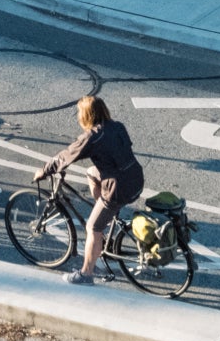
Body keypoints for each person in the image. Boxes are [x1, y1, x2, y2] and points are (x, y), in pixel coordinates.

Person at [38, 95, 144, 284]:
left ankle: (86, 274)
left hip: (118, 188)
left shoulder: (92, 137)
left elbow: (66, 156)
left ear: (86, 115)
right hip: (135, 178)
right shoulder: (117, 126)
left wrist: (44, 171)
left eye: (80, 112)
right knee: (91, 172)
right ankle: (104, 215)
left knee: (92, 227)